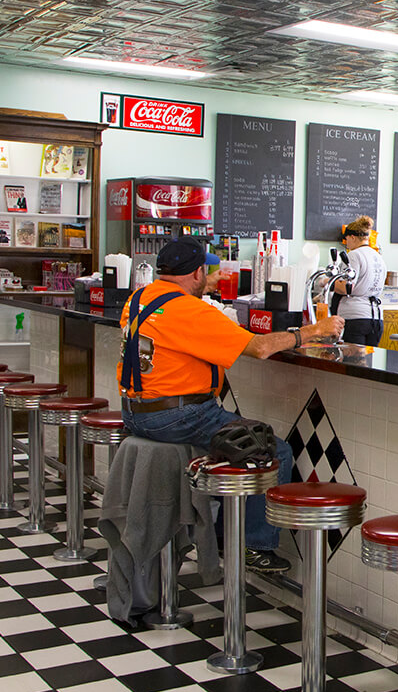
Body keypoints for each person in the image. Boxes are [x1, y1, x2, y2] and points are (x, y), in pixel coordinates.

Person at [119, 237, 344, 573]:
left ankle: (223, 534)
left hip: (134, 412)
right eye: (207, 273)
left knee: (237, 438)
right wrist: (312, 331)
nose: (210, 279)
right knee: (271, 450)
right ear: (195, 274)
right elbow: (261, 348)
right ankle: (249, 545)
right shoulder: (190, 310)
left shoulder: (138, 298)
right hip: (178, 416)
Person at [332, 215, 386, 346]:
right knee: (368, 363)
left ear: (352, 237)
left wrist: (328, 283)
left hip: (355, 319)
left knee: (353, 363)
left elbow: (346, 287)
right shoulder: (378, 256)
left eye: (346, 239)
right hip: (376, 319)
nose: (346, 243)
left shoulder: (354, 255)